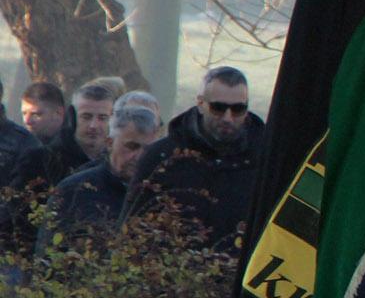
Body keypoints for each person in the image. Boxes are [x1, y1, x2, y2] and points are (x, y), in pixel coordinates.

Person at [121, 66, 266, 250]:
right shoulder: (162, 157)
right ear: (200, 103)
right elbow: (130, 229)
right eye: (218, 108)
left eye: (238, 109)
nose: (228, 118)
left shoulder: (265, 161)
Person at [1, 80, 111, 263]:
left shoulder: (118, 167)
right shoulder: (39, 160)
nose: (93, 125)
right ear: (73, 117)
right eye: (86, 116)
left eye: (102, 118)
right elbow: (14, 217)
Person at [34, 103, 162, 258]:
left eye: (148, 150)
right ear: (109, 143)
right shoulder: (76, 190)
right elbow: (47, 255)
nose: (140, 157)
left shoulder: (163, 194)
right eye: (131, 146)